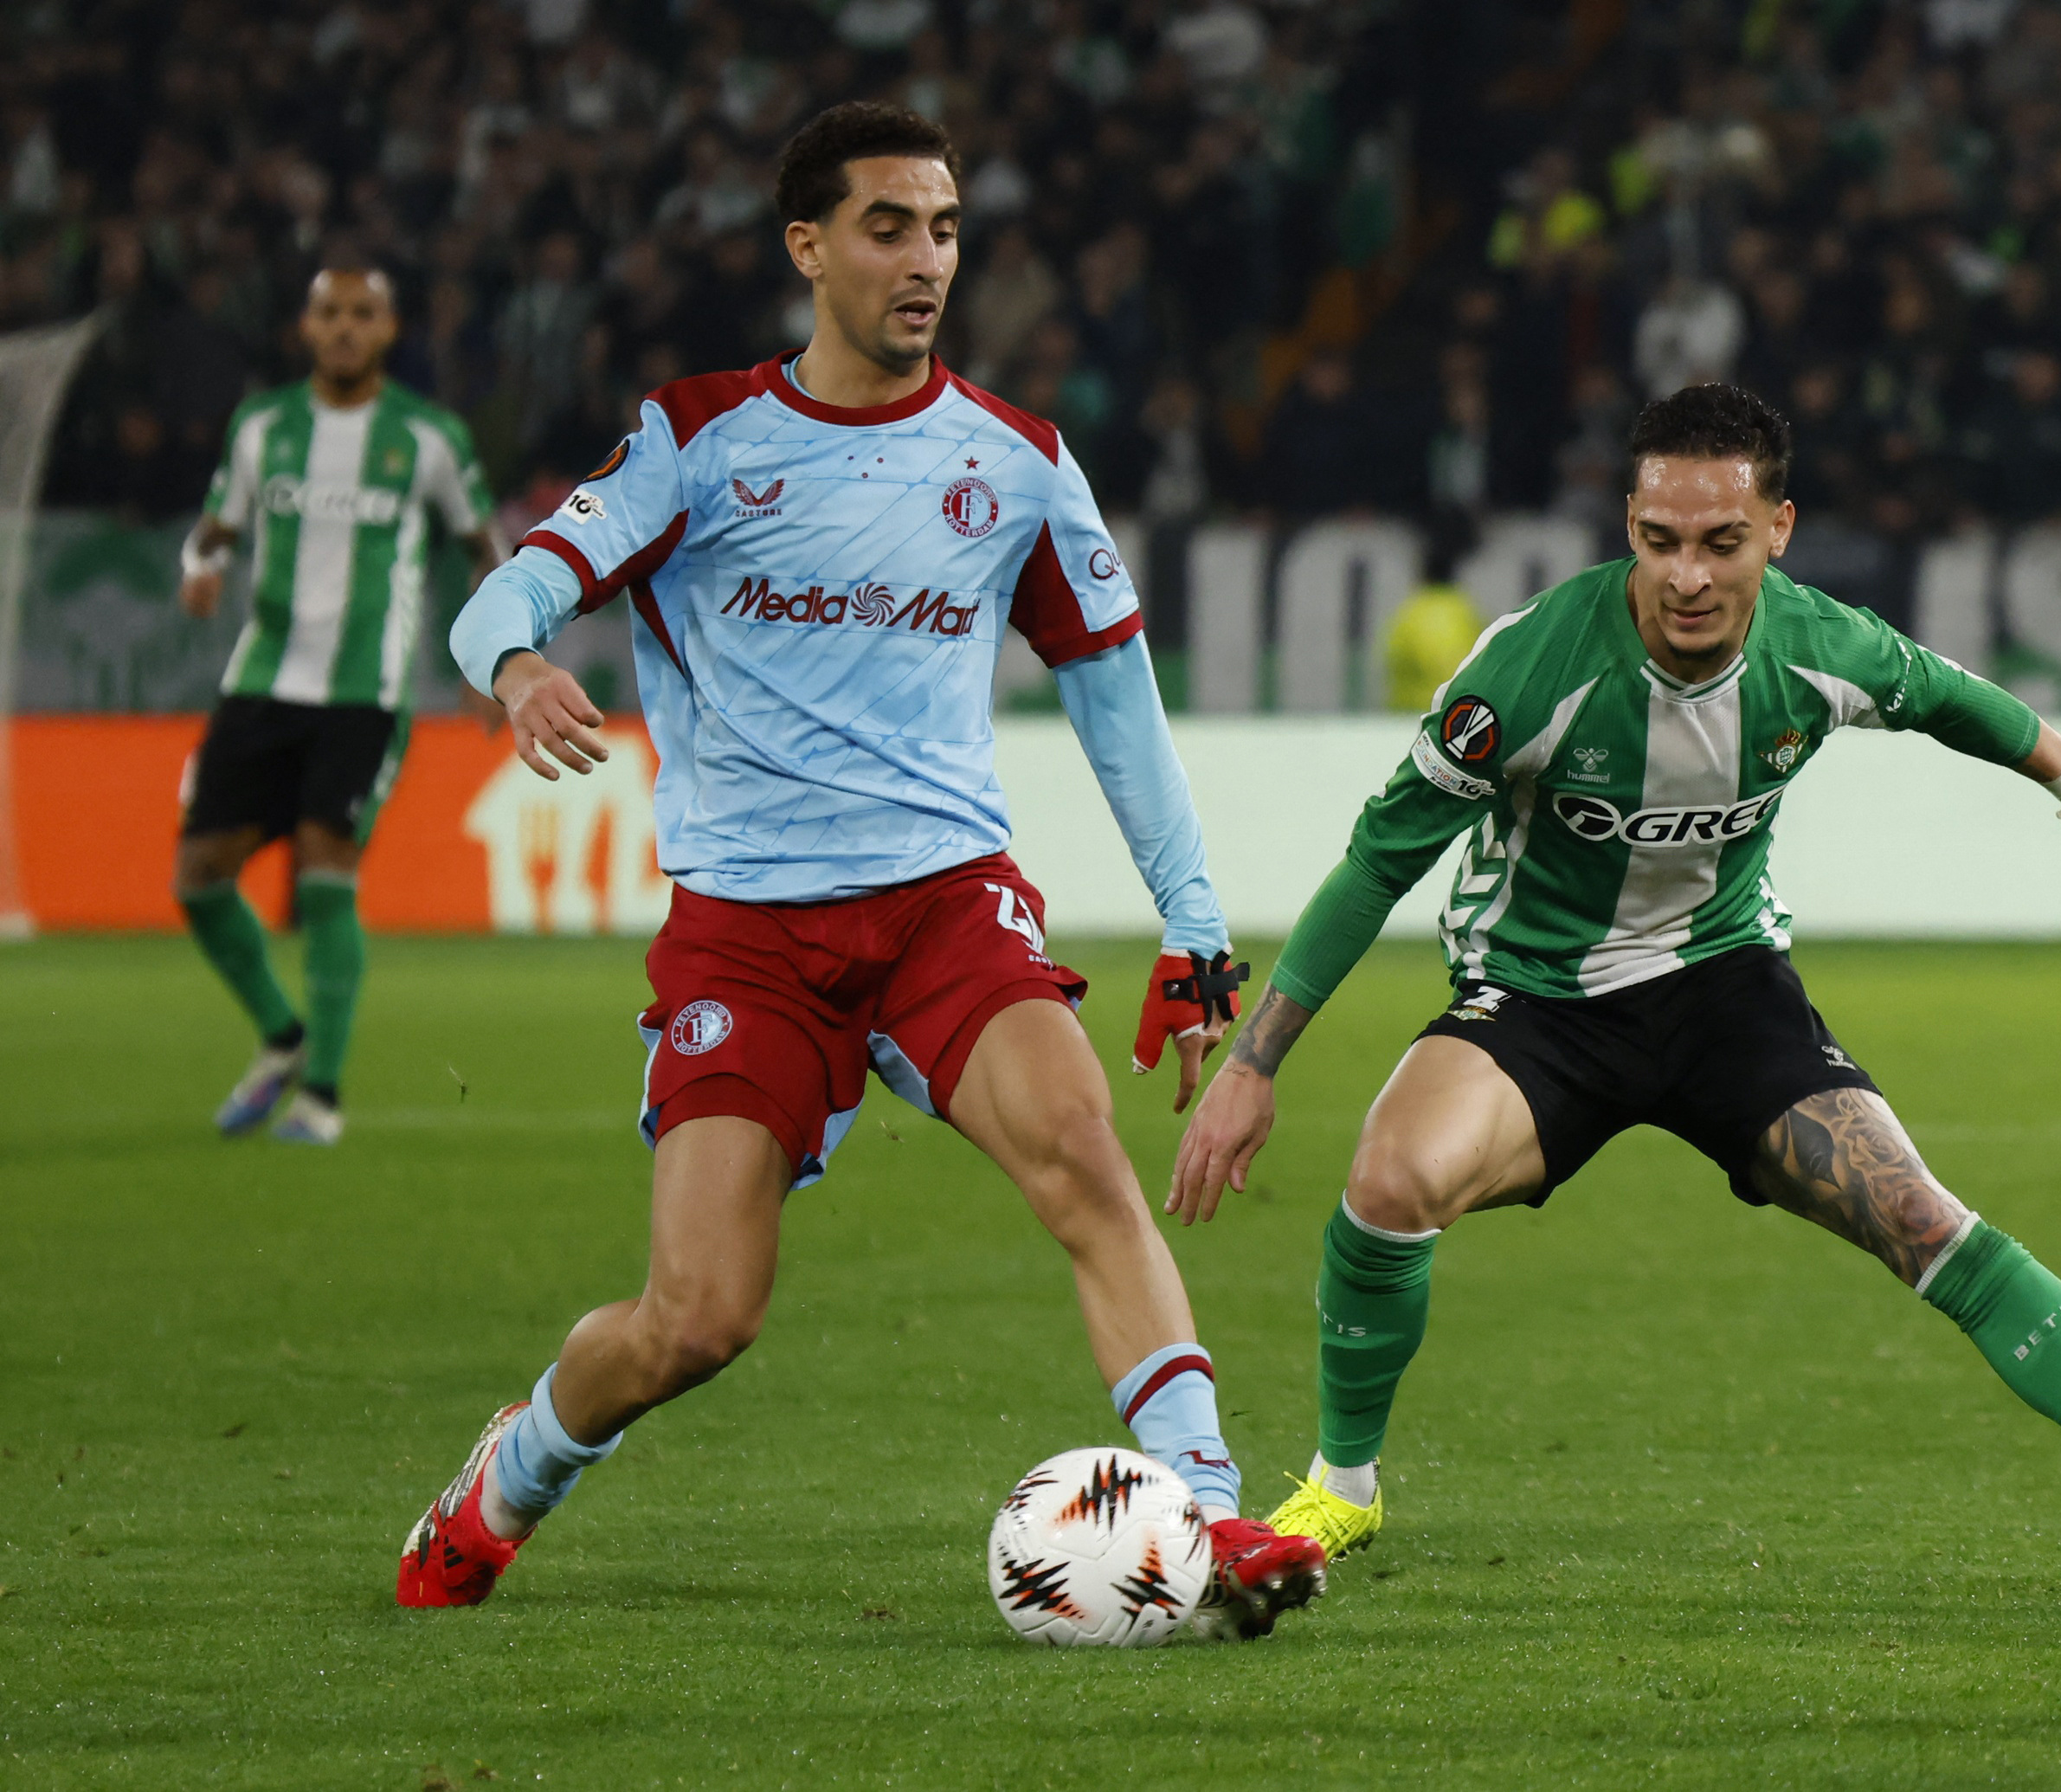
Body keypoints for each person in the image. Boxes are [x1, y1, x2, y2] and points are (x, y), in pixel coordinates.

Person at [398, 102, 1327, 1638]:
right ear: (807, 247)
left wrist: (1194, 926)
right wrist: (516, 666)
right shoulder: (696, 437)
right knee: (698, 1318)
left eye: (945, 229)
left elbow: (1116, 697)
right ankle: (514, 1472)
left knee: (1081, 1153)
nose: (926, 260)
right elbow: (507, 592)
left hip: (944, 900)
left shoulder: (1017, 462)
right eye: (888, 227)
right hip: (747, 931)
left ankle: (1214, 1513)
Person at [1170, 384, 2061, 1589]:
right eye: (1659, 539)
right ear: (1627, 524)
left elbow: (1948, 698)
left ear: (1778, 529)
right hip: (1538, 1001)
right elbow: (1377, 860)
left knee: (1921, 1218)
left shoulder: (1820, 645)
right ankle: (1343, 1489)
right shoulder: (1527, 669)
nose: (1687, 576)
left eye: (1721, 541)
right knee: (1388, 1182)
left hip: (1725, 990)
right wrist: (1254, 1064)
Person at [175, 266, 504, 1146]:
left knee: (326, 867)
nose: (346, 328)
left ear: (390, 330)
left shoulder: (428, 437)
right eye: (331, 313)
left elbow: (487, 547)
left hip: (365, 693)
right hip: (261, 683)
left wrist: (493, 654)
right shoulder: (262, 427)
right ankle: (281, 1035)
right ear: (307, 327)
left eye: (363, 314)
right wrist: (198, 568)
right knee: (198, 879)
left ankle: (320, 1093)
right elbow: (214, 528)